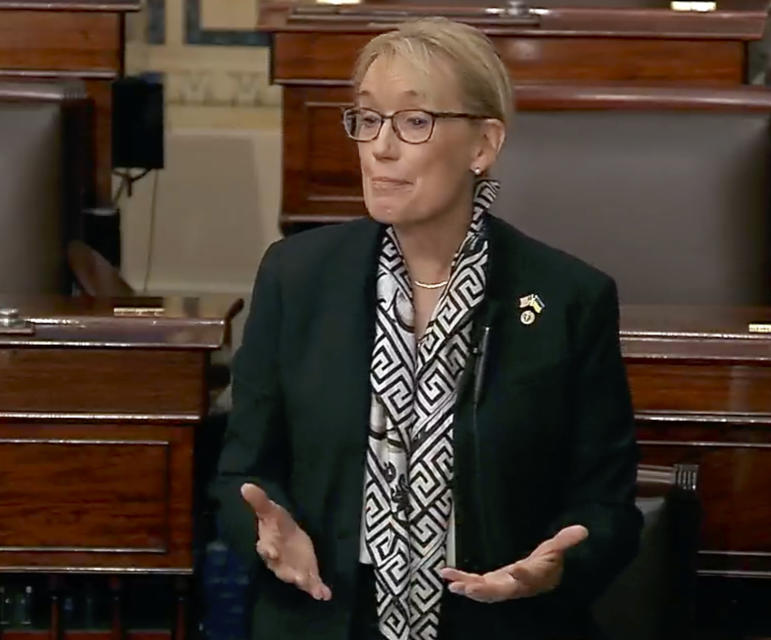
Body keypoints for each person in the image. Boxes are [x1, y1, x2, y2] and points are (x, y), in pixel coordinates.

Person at [211, 17, 642, 640]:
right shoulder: (297, 277)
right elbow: (239, 477)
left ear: (483, 145)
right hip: (328, 614)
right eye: (366, 119)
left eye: (415, 122)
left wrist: (554, 570)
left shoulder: (569, 297)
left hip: (495, 621)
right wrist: (265, 534)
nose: (381, 147)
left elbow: (607, 511)